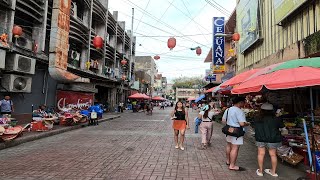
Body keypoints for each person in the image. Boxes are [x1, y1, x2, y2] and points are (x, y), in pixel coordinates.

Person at [254, 102, 283, 177]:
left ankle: (260, 171)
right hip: (273, 138)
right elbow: (282, 127)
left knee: (261, 154)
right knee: (273, 154)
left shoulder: (257, 118)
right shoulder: (276, 119)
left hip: (260, 138)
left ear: (261, 110)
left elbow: (254, 126)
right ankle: (273, 172)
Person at [222, 96, 250, 171]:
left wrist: (231, 122)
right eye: (243, 102)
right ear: (240, 102)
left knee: (228, 145)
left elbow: (223, 121)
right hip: (236, 132)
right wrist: (247, 123)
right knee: (235, 148)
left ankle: (228, 161)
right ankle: (232, 165)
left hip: (228, 130)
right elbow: (242, 124)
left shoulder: (228, 109)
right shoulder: (239, 111)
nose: (244, 104)